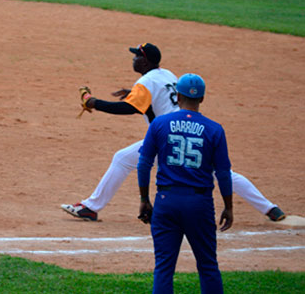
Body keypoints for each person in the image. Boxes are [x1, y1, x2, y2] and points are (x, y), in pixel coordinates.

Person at [61, 43, 285, 222]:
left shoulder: (146, 82)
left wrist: (94, 102)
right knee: (219, 173)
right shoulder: (166, 74)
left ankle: (90, 207)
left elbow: (129, 108)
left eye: (136, 56)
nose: (133, 59)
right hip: (192, 131)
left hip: (167, 138)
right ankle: (270, 208)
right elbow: (159, 96)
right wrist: (133, 93)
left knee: (123, 159)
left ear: (145, 61)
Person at [137, 73, 232, 294]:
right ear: (202, 98)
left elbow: (144, 164)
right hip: (199, 203)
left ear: (178, 96)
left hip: (166, 201)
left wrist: (144, 198)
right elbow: (224, 173)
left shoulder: (159, 124)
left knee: (164, 268)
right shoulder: (214, 129)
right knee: (208, 266)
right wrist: (229, 206)